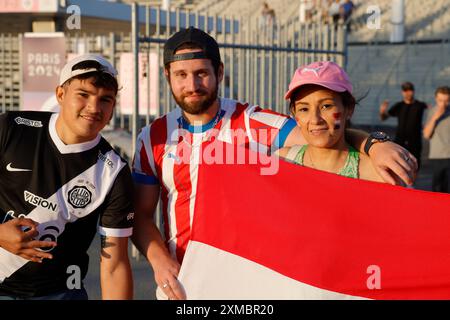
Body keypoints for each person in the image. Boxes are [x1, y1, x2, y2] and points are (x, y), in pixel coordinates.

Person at [131, 27, 417, 300]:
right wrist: (159, 261)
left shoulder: (252, 122)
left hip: (247, 282)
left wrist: (374, 143)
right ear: (167, 75)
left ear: (219, 72)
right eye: (181, 75)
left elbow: (318, 131)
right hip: (181, 283)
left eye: (202, 73)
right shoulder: (153, 137)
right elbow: (141, 215)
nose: (192, 85)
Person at [0, 54, 134, 300]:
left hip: (59, 294)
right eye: (83, 94)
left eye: (105, 99)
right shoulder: (11, 127)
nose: (94, 108)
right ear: (61, 94)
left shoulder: (114, 171)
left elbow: (114, 265)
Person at [276, 61, 384, 183]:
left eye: (326, 106)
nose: (315, 120)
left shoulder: (375, 174)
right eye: (304, 109)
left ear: (349, 109)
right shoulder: (280, 161)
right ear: (295, 114)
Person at [379, 82, 428, 169]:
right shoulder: (399, 105)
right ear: (402, 92)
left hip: (415, 140)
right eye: (405, 90)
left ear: (413, 91)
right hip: (400, 140)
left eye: (410, 90)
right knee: (399, 163)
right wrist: (382, 111)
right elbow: (384, 118)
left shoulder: (420, 105)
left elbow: (430, 111)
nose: (408, 92)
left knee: (415, 164)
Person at [423, 86, 450, 193]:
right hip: (437, 156)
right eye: (440, 100)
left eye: (447, 101)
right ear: (436, 99)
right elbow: (426, 134)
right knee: (437, 189)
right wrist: (436, 117)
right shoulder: (432, 112)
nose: (443, 104)